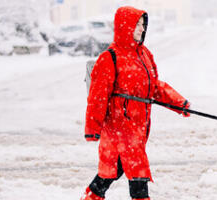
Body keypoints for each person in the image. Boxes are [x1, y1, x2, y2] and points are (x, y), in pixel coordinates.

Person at [81, 6, 190, 200]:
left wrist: (179, 103)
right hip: (119, 129)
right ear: (125, 26)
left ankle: (90, 197)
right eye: (137, 25)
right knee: (137, 176)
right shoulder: (110, 58)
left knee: (110, 174)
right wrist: (92, 128)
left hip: (137, 129)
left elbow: (154, 87)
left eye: (142, 25)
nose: (141, 29)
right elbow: (98, 97)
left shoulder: (144, 55)